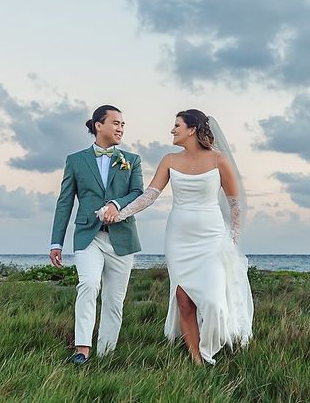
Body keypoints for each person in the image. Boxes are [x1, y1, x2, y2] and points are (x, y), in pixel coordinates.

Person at [98, 109, 253, 365]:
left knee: (213, 301)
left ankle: (211, 345)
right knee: (183, 298)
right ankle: (196, 358)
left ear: (192, 129)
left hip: (212, 238)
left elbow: (235, 204)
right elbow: (150, 195)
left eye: (177, 125)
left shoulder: (218, 160)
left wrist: (232, 241)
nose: (172, 130)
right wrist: (120, 213)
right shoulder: (169, 160)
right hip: (178, 238)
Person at [49, 105, 144, 366]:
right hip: (88, 237)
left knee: (114, 300)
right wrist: (56, 242)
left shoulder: (132, 160)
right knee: (88, 285)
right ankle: (82, 351)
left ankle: (106, 354)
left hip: (122, 239)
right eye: (115, 123)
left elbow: (138, 192)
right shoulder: (76, 160)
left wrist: (115, 204)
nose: (120, 128)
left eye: (123, 124)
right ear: (98, 125)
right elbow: (64, 202)